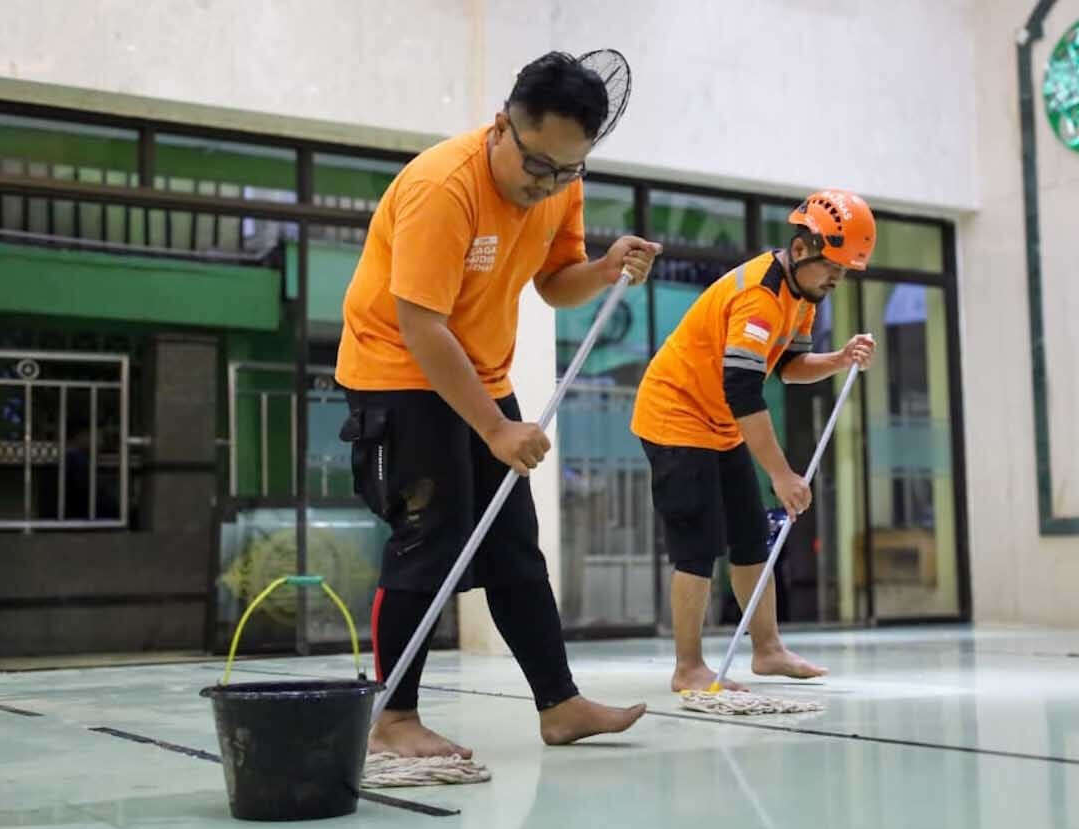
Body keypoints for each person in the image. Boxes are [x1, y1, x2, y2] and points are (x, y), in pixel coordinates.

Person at [337, 51, 662, 758]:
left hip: (478, 370)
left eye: (567, 172)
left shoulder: (560, 183)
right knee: (429, 534)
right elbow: (422, 325)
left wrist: (604, 269)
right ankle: (394, 718)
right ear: (501, 126)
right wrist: (493, 426)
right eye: (536, 165)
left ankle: (560, 702)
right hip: (397, 366)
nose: (545, 184)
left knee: (514, 542)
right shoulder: (442, 189)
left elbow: (553, 282)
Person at [630, 190, 877, 693]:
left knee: (750, 538)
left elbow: (785, 368)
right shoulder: (761, 297)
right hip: (675, 415)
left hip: (718, 421)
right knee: (697, 546)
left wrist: (838, 359)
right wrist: (782, 474)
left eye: (846, 270)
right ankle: (688, 669)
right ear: (802, 248)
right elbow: (742, 387)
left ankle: (768, 651)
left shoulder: (802, 296)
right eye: (833, 264)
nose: (837, 278)